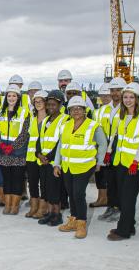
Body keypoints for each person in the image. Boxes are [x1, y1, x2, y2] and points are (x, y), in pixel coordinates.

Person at [53, 96, 108, 238]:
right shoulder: (65, 126)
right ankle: (73, 220)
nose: (76, 111)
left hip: (85, 165)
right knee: (71, 193)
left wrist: (100, 162)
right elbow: (60, 146)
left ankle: (81, 224)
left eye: (79, 108)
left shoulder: (93, 125)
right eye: (73, 109)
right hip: (68, 166)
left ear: (84, 110)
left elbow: (103, 144)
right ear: (69, 111)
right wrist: (57, 163)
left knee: (78, 193)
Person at [107, 82, 139, 241]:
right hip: (120, 162)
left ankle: (123, 230)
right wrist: (109, 150)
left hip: (133, 164)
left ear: (137, 99)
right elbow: (116, 135)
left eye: (131, 97)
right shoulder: (122, 115)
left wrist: (136, 161)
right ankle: (129, 225)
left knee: (128, 197)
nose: (128, 100)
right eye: (126, 97)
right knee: (122, 195)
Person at [36, 90, 69, 227]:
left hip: (55, 162)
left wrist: (49, 157)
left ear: (61, 105)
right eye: (48, 104)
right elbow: (40, 140)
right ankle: (49, 213)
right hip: (43, 161)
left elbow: (61, 141)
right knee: (46, 188)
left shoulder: (65, 120)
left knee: (55, 189)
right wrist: (38, 154)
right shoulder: (45, 121)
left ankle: (57, 214)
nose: (50, 107)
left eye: (54, 105)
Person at [97, 76, 127, 222]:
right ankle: (111, 206)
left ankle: (119, 208)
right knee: (110, 181)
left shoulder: (128, 109)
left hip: (120, 151)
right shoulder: (102, 110)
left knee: (119, 181)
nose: (115, 93)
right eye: (113, 90)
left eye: (118, 90)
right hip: (106, 151)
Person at [0, 85, 29, 214]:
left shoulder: (24, 112)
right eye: (9, 95)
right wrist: (2, 145)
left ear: (18, 97)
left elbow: (25, 133)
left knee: (17, 179)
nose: (11, 98)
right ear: (6, 97)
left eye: (14, 96)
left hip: (18, 153)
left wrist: (13, 146)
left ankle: (15, 206)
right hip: (3, 153)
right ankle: (7, 204)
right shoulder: (0, 112)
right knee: (6, 179)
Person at [26, 90, 49, 218]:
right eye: (36, 101)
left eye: (41, 101)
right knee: (33, 182)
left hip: (44, 157)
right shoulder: (32, 118)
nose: (38, 103)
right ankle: (33, 207)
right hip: (31, 156)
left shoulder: (51, 119)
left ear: (45, 102)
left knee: (44, 184)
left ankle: (43, 208)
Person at [89, 82, 112, 208]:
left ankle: (107, 199)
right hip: (98, 147)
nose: (105, 98)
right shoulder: (96, 112)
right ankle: (101, 198)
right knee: (99, 174)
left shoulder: (115, 110)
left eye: (107, 95)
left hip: (109, 147)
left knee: (107, 175)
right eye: (102, 95)